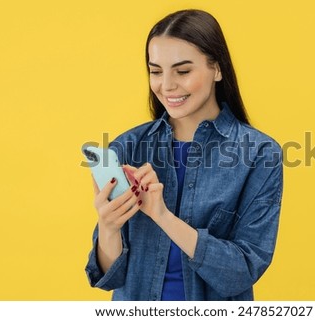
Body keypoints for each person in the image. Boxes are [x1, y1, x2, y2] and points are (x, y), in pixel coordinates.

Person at [85, 9, 283, 301]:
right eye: (156, 71)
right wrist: (109, 225)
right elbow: (110, 276)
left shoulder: (260, 154)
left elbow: (242, 271)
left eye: (183, 71)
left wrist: (163, 216)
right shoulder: (127, 147)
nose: (166, 85)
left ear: (217, 68)